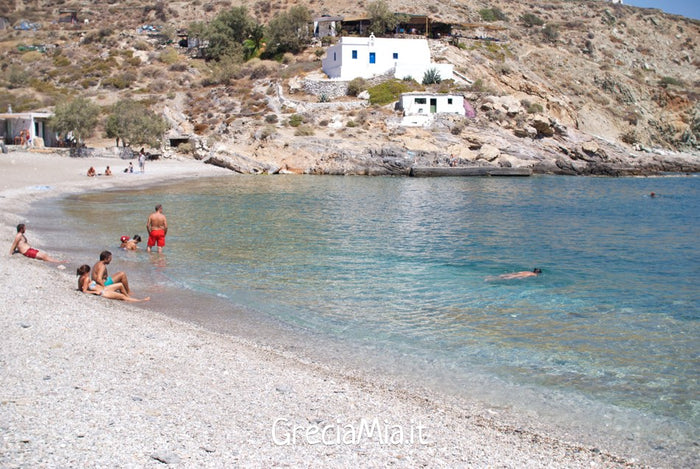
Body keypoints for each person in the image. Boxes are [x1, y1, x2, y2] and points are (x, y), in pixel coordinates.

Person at [77, 264, 149, 302]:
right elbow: (84, 291)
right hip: (102, 292)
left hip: (104, 289)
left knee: (120, 285)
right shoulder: (86, 278)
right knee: (122, 297)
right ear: (87, 272)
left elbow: (80, 288)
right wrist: (95, 292)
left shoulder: (81, 278)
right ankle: (140, 300)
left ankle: (129, 297)